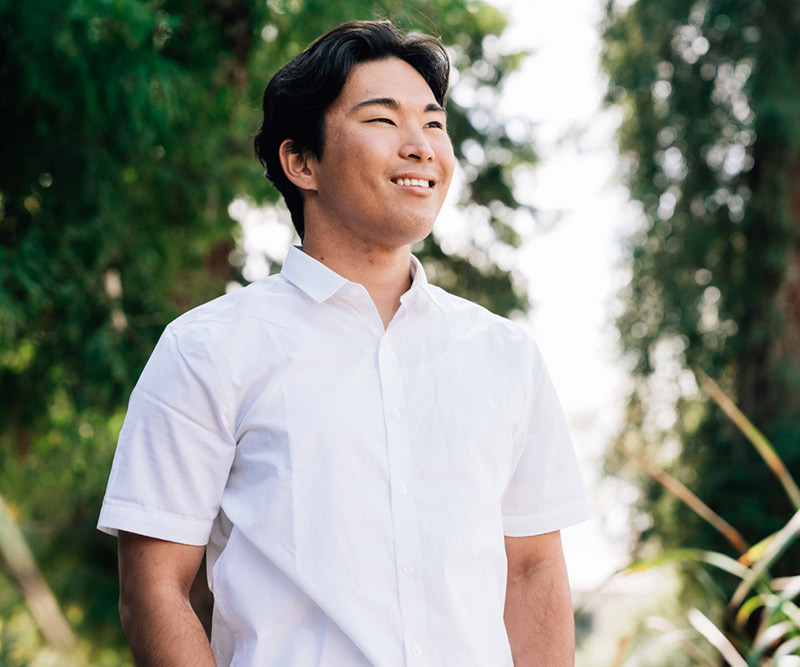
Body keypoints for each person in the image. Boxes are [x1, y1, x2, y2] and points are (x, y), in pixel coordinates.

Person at [98, 19, 590, 667]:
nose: (420, 146)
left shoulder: (507, 356)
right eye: (383, 121)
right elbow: (155, 588)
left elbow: (531, 571)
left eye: (434, 124)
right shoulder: (207, 349)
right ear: (301, 161)